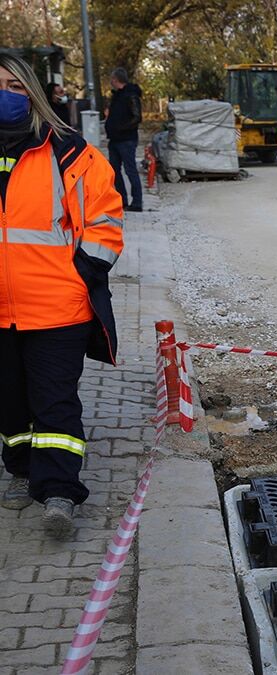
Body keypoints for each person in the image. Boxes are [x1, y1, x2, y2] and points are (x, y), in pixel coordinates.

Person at [0, 55, 124, 538]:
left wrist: (82, 273)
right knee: (10, 404)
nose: (7, 94)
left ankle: (59, 492)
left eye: (15, 86)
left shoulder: (69, 152)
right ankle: (21, 467)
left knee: (54, 402)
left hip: (57, 308)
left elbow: (105, 218)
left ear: (33, 92)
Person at [105, 68, 142, 212]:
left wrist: (121, 128)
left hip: (126, 139)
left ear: (116, 80)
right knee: (114, 170)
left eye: (112, 79)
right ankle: (122, 200)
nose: (111, 82)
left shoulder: (131, 95)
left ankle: (137, 202)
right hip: (114, 139)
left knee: (130, 170)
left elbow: (137, 117)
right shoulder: (117, 96)